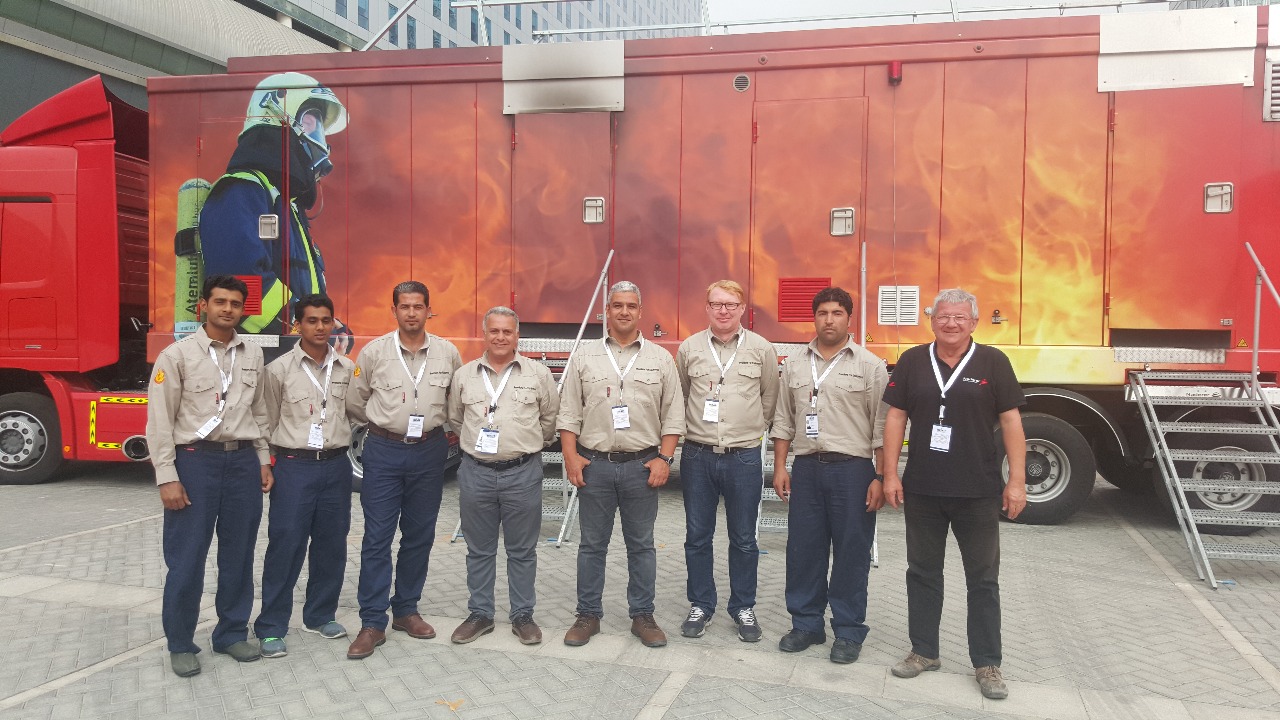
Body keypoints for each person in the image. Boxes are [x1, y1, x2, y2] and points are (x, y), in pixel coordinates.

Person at [881, 288, 1027, 700]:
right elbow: (895, 417)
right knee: (922, 572)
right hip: (923, 488)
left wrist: (1017, 481)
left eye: (960, 317)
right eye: (943, 316)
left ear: (974, 322)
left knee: (983, 580)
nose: (951, 323)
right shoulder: (913, 360)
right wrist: (890, 474)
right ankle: (924, 651)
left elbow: (1012, 422)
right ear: (932, 321)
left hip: (977, 491)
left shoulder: (993, 361)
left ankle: (987, 663)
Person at [146, 274, 273, 678]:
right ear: (203, 305)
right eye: (220, 302)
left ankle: (231, 633)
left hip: (242, 463)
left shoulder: (253, 354)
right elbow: (159, 421)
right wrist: (167, 476)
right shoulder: (177, 356)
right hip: (194, 463)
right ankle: (181, 643)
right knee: (187, 559)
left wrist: (263, 458)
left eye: (235, 303)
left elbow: (259, 410)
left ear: (242, 309)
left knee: (238, 555)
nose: (227, 309)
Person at [557, 281, 685, 648]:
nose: (624, 311)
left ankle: (642, 615)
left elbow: (673, 415)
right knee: (591, 546)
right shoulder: (585, 356)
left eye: (630, 305)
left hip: (641, 467)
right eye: (617, 305)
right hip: (594, 465)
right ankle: (588, 615)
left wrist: (664, 459)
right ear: (607, 311)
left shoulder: (661, 358)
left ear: (640, 312)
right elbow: (569, 412)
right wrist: (570, 457)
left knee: (641, 546)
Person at [345, 281, 462, 660]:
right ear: (393, 310)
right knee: (377, 537)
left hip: (429, 451)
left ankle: (406, 610)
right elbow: (356, 401)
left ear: (429, 310)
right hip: (384, 451)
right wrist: (387, 425)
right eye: (405, 306)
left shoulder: (447, 353)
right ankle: (372, 622)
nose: (412, 313)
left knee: (419, 535)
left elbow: (456, 400)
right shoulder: (374, 352)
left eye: (418, 306)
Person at [771, 286, 887, 665]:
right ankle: (806, 624)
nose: (829, 320)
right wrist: (780, 467)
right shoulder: (794, 364)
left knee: (852, 551)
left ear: (849, 319)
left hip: (853, 471)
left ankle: (849, 631)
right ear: (815, 318)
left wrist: (880, 477)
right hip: (807, 468)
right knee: (804, 550)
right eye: (823, 313)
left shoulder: (870, 366)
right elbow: (784, 419)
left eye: (837, 313)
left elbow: (882, 427)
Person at [199, 72, 352, 341]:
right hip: (257, 354)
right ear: (278, 117)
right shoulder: (243, 190)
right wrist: (299, 323)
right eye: (310, 123)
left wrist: (327, 326)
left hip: (289, 353)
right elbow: (239, 283)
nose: (320, 141)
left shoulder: (287, 206)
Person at [447, 307, 559, 646]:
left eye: (507, 331)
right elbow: (455, 419)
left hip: (522, 473)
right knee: (479, 550)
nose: (500, 337)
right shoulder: (464, 375)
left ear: (517, 335)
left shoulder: (538, 374)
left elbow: (549, 420)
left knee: (522, 550)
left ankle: (522, 615)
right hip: (476, 473)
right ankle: (480, 614)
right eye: (494, 331)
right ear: (484, 333)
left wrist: (522, 445)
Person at [675, 280, 779, 642]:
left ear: (742, 309)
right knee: (697, 537)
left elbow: (769, 398)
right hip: (697, 455)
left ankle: (743, 607)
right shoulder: (689, 348)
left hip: (744, 456)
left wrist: (750, 428)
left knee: (745, 538)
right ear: (706, 308)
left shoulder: (761, 349)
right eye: (717, 304)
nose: (724, 311)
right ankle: (701, 604)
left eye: (731, 304)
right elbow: (681, 396)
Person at [253, 294, 356, 658]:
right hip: (294, 466)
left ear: (333, 324)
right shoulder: (278, 370)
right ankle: (271, 626)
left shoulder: (347, 368)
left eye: (326, 320)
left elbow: (355, 412)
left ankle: (320, 615)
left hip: (336, 465)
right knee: (286, 544)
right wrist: (265, 462)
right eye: (311, 320)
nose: (319, 327)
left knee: (332, 544)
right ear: (297, 325)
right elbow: (265, 420)